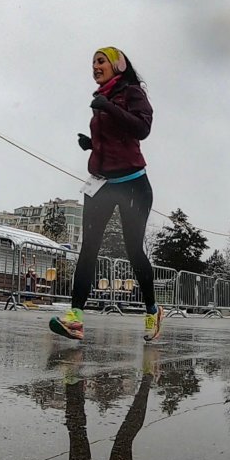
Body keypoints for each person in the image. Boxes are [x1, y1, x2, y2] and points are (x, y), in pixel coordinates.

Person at [50, 47, 162, 341]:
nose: (95, 67)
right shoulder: (102, 98)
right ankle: (75, 318)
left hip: (133, 184)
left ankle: (152, 311)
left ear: (117, 65)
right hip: (101, 183)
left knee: (134, 250)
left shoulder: (131, 92)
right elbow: (116, 137)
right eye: (93, 63)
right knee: (88, 248)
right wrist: (92, 144)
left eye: (101, 61)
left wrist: (109, 108)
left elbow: (142, 128)